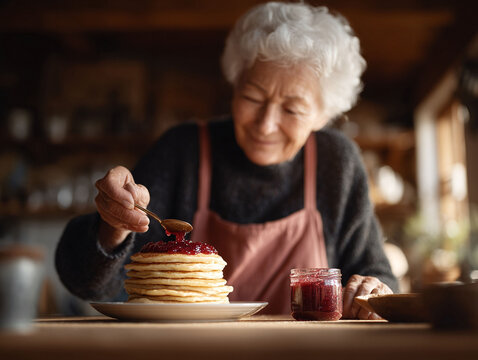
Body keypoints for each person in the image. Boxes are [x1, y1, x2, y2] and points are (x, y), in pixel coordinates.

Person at [56, 1, 398, 318]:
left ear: (324, 115)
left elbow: (378, 278)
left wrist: (371, 290)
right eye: (252, 97)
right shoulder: (182, 150)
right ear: (234, 85)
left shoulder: (336, 162)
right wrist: (113, 227)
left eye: (292, 109)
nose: (265, 125)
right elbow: (87, 283)